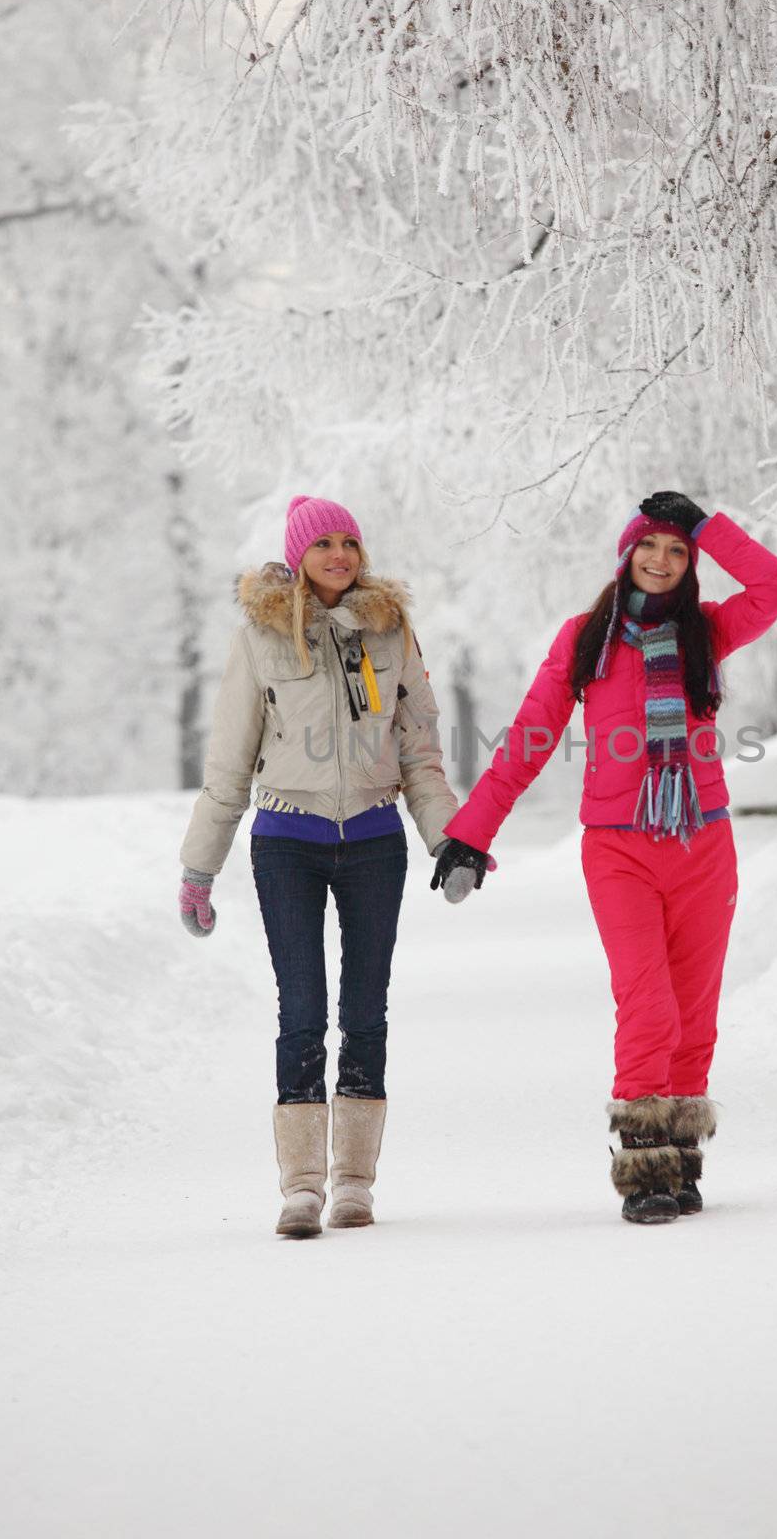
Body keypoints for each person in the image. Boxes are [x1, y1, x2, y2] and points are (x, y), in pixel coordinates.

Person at [431, 491, 777, 1224]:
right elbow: (530, 737)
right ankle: (642, 1167)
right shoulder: (585, 639)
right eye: (649, 547)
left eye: (676, 551)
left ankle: (681, 1163)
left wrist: (706, 524)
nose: (660, 562)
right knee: (648, 1002)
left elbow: (772, 588)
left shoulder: (708, 631)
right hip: (618, 848)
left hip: (703, 843)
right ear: (625, 555)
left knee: (694, 1010)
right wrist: (471, 833)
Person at [179, 495, 462, 1237]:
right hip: (287, 843)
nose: (340, 554)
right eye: (323, 543)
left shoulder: (391, 632)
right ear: (297, 555)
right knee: (301, 1012)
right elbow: (229, 759)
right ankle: (301, 1187)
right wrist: (198, 868)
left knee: (365, 1014)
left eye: (349, 542)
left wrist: (447, 840)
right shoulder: (260, 637)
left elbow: (419, 750)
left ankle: (353, 1184)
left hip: (373, 841)